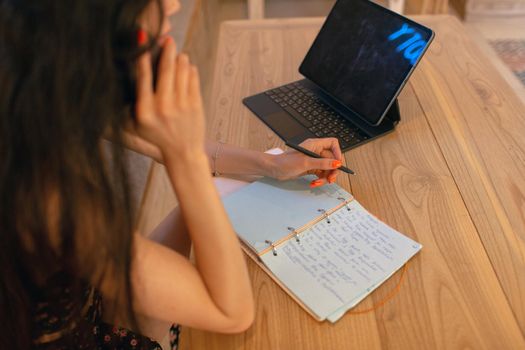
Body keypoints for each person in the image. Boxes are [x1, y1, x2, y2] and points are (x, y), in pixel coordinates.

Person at [0, 0, 343, 349]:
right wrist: (184, 156)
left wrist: (270, 165)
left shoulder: (44, 89)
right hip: (75, 327)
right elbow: (232, 312)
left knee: (209, 205)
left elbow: (173, 144)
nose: (173, 5)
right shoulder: (43, 198)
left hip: (87, 301)